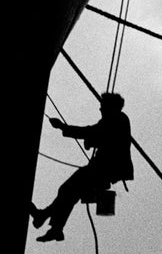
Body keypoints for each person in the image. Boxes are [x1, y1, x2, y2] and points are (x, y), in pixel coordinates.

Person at [31, 92, 134, 242]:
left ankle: (48, 219)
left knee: (68, 189)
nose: (100, 110)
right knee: (70, 193)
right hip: (105, 169)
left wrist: (62, 127)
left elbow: (92, 132)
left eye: (102, 107)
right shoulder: (116, 120)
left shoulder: (117, 119)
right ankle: (54, 227)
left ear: (110, 107)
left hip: (105, 169)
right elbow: (97, 134)